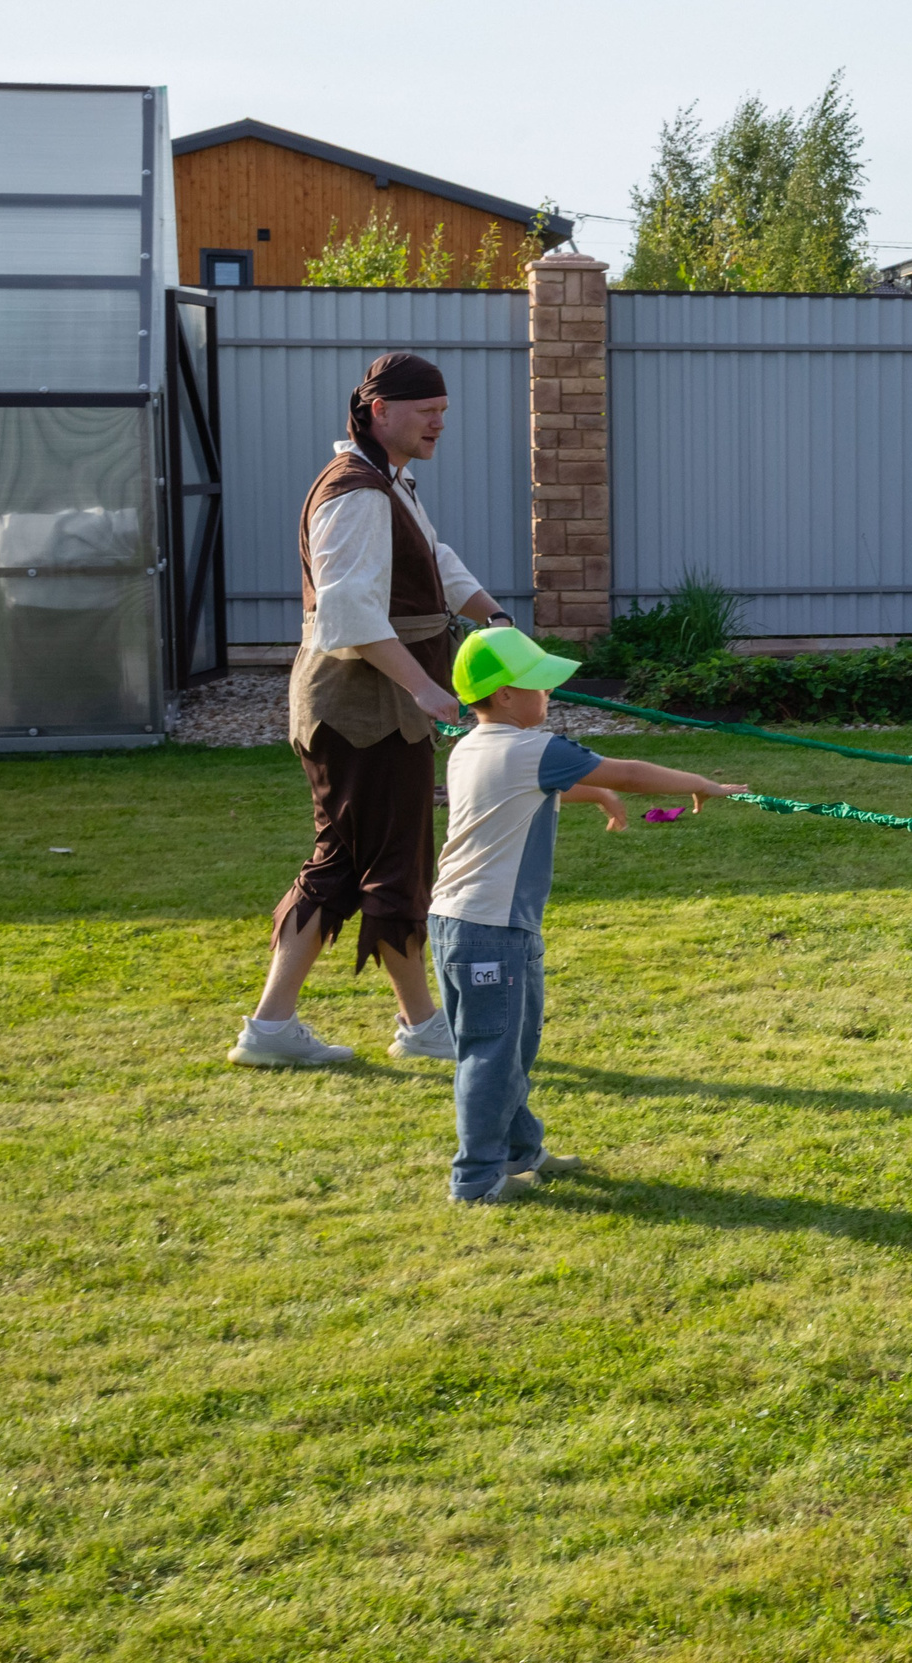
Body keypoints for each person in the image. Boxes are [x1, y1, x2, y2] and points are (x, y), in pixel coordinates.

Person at [230, 352, 514, 1069]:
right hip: (362, 706)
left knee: (343, 862)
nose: (439, 424)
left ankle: (270, 1029)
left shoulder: (385, 479)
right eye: (427, 413)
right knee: (393, 864)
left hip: (373, 704)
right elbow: (348, 612)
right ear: (380, 411)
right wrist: (422, 689)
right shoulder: (355, 491)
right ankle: (422, 1027)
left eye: (443, 412)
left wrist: (492, 617)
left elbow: (430, 555)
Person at [431, 627, 748, 1204]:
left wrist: (594, 795)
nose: (549, 696)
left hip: (475, 926)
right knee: (492, 1051)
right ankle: (476, 1180)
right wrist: (699, 783)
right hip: (489, 929)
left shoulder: (473, 747)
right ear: (504, 695)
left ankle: (521, 1151)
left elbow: (521, 793)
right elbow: (625, 771)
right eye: (541, 686)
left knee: (513, 1045)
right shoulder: (533, 748)